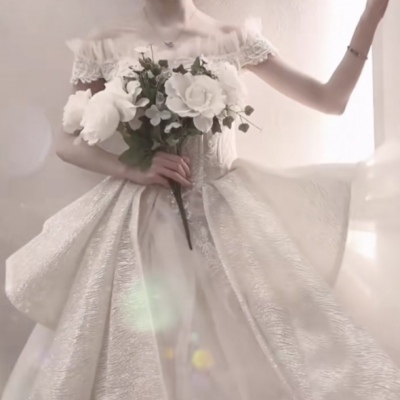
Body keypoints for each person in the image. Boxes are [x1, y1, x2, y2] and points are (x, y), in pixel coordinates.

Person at [3, 0, 400, 399]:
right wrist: (133, 167)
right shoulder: (103, 45)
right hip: (140, 225)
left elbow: (331, 100)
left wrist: (370, 17)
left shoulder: (233, 39)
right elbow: (67, 142)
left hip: (228, 220)